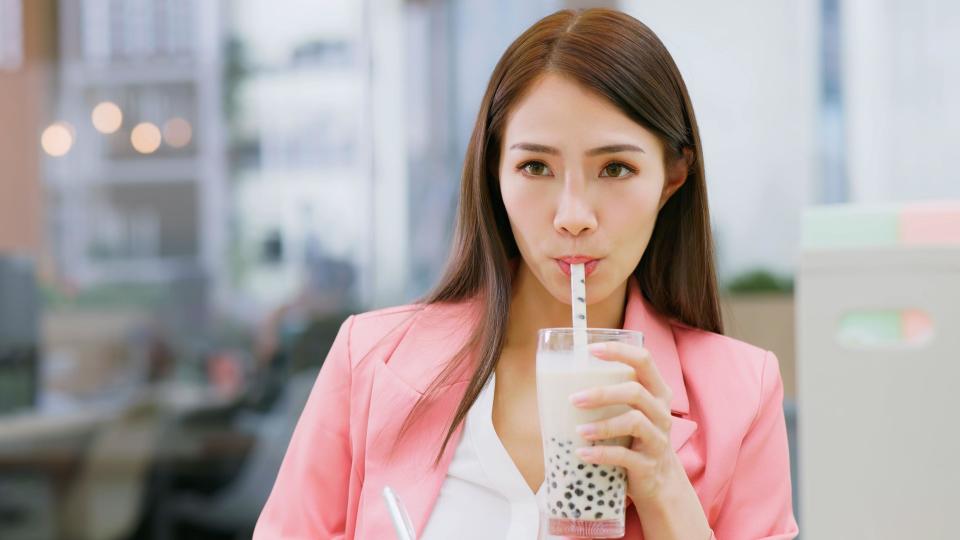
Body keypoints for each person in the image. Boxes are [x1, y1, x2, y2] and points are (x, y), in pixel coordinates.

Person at [254, 8, 798, 540]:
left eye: (616, 168)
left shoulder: (742, 395)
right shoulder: (371, 360)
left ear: (672, 176)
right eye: (535, 167)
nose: (573, 217)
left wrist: (663, 487)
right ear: (495, 171)